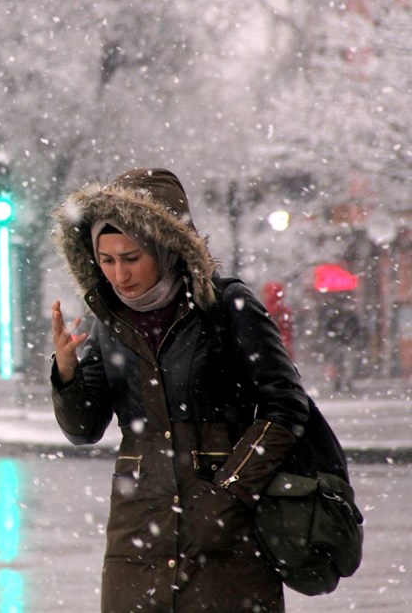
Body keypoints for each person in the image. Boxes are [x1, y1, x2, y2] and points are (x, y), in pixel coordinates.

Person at [48, 168, 311, 612]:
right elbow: (82, 429)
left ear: (165, 246)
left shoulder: (225, 307)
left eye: (131, 257)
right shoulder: (107, 321)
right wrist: (66, 371)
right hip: (138, 536)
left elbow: (285, 406)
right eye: (106, 260)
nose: (119, 274)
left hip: (225, 530)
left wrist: (228, 492)